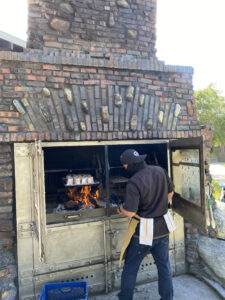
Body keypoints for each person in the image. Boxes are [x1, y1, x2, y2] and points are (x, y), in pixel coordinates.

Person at [117, 149, 174, 300]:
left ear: (130, 165)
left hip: (145, 231)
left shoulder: (134, 182)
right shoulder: (160, 171)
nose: (124, 168)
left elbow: (130, 212)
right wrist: (160, 205)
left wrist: (120, 208)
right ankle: (167, 298)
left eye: (125, 165)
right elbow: (171, 193)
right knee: (164, 266)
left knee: (130, 268)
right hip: (163, 227)